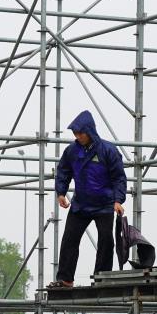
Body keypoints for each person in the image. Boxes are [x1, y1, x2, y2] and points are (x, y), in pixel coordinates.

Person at [50, 110, 128, 288]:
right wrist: (61, 193)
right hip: (80, 205)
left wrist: (118, 200)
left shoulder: (108, 151)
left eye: (81, 133)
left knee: (106, 241)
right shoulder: (71, 151)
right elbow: (63, 171)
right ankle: (65, 279)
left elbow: (119, 178)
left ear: (90, 131)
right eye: (75, 134)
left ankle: (102, 278)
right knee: (69, 239)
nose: (78, 137)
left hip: (105, 204)